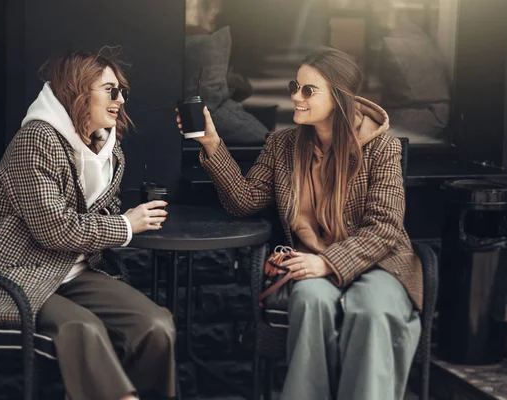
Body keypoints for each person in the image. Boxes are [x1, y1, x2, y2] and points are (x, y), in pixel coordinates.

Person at [177, 47, 423, 400]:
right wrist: (212, 144)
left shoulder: (382, 147)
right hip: (310, 262)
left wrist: (328, 262)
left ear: (340, 97)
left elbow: (385, 226)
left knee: (372, 309)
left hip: (379, 264)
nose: (295, 96)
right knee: (310, 298)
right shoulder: (282, 145)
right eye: (296, 85)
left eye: (308, 90)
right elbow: (245, 200)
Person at [0, 50, 175, 400]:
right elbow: (55, 228)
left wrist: (121, 219)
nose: (119, 100)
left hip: (75, 273)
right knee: (81, 328)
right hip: (13, 275)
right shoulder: (36, 141)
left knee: (155, 325)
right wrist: (126, 225)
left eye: (122, 92)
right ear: (77, 91)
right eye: (109, 90)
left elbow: (99, 212)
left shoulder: (108, 150)